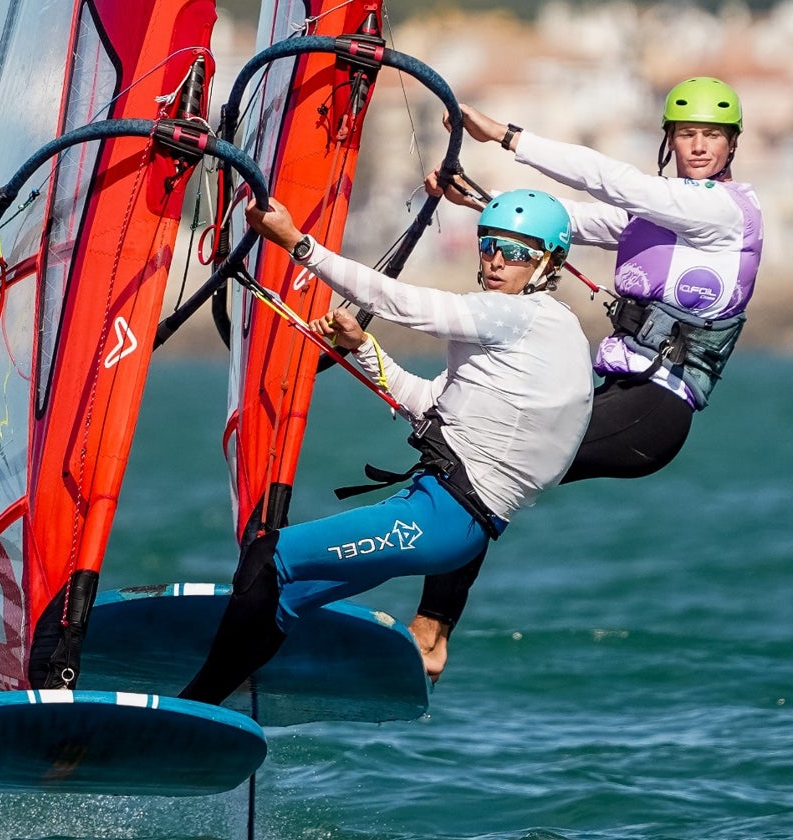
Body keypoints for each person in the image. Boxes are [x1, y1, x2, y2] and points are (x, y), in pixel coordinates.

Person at [178, 189, 594, 705]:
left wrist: (296, 244)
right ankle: (229, 687)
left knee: (269, 556)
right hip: (440, 516)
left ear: (548, 262)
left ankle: (195, 702)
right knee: (285, 596)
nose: (494, 260)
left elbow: (398, 301)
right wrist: (362, 349)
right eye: (488, 245)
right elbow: (431, 402)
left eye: (514, 251)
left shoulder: (520, 317)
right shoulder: (539, 335)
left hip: (441, 518)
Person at [410, 77, 764, 681]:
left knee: (477, 471)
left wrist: (504, 134)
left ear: (731, 144)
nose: (699, 146)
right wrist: (480, 197)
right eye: (686, 134)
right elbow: (563, 222)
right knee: (468, 468)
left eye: (712, 135)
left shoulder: (722, 212)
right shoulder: (655, 215)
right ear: (670, 141)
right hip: (619, 393)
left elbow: (613, 179)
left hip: (655, 412)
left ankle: (429, 631)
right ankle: (430, 633)